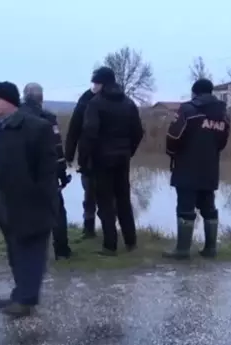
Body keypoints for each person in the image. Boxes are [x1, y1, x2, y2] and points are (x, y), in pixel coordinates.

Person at [0, 81, 58, 317]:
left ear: (10, 101)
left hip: (30, 204)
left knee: (31, 252)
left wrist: (39, 199)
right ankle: (20, 293)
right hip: (4, 202)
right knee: (15, 251)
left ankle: (26, 300)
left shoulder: (36, 127)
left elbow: (47, 171)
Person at [80, 66, 145, 256]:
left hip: (101, 160)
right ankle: (131, 242)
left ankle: (110, 245)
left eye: (95, 83)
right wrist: (128, 151)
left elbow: (89, 133)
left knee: (106, 202)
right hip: (122, 158)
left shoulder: (96, 103)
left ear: (101, 83)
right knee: (124, 199)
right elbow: (138, 132)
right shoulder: (128, 103)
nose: (94, 87)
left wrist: (84, 160)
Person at [163, 78, 231, 260]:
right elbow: (222, 142)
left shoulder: (187, 110)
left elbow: (173, 137)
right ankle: (210, 249)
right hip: (210, 167)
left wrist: (172, 153)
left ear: (194, 92)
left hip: (187, 165)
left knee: (185, 207)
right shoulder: (223, 114)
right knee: (208, 206)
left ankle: (182, 250)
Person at [20, 82, 73, 260]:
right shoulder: (49, 119)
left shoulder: (14, 118)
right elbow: (57, 148)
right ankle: (62, 250)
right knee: (57, 211)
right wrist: (62, 173)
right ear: (41, 98)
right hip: (46, 173)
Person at [64, 88, 98, 239]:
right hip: (103, 158)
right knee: (94, 194)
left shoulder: (85, 102)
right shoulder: (121, 100)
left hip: (90, 157)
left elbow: (74, 129)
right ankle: (95, 229)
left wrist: (70, 155)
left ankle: (91, 229)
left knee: (90, 194)